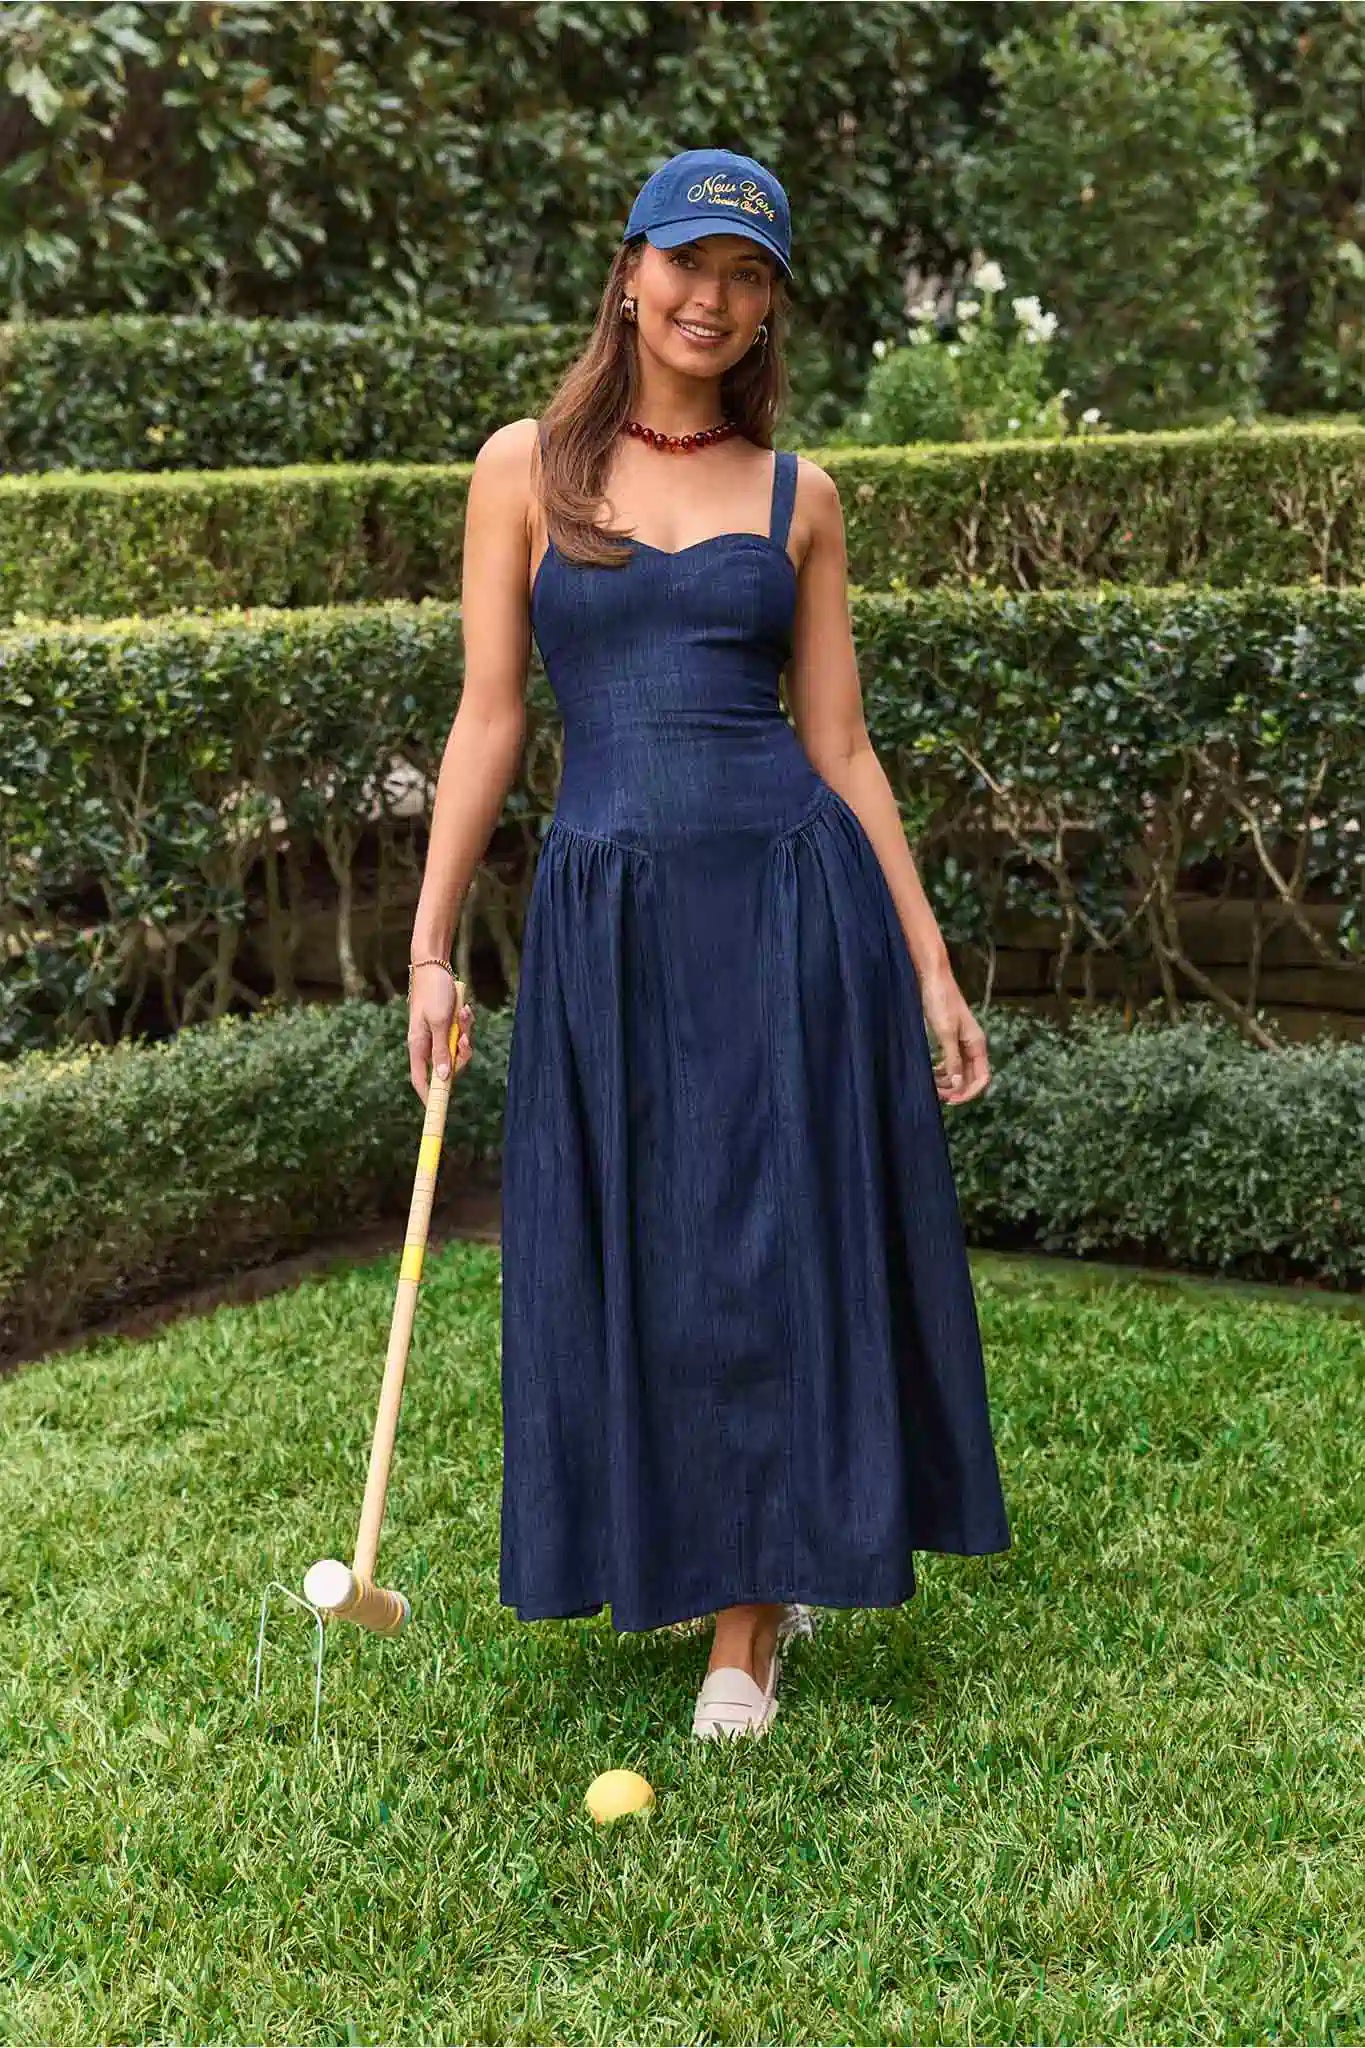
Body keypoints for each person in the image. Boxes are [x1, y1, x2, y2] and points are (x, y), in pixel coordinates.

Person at [406, 147, 1010, 1742]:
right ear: (629, 274)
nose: (712, 299)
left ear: (768, 309)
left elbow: (842, 746)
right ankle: (688, 1543)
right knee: (645, 1242)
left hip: (791, 912)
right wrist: (430, 946)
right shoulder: (523, 468)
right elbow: (487, 718)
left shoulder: (798, 496)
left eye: (747, 278)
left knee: (769, 1242)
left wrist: (927, 965)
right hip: (607, 920)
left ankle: (752, 1620)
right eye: (688, 264)